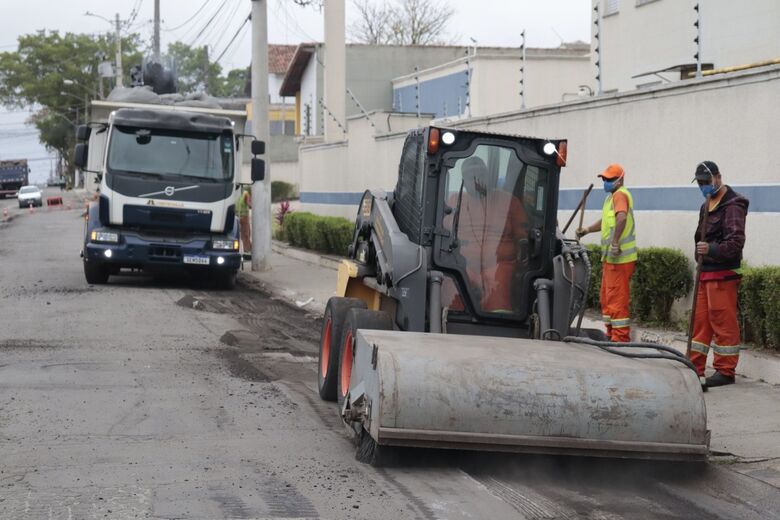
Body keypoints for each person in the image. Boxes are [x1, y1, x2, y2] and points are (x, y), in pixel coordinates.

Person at [689, 161, 749, 388]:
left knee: (723, 322)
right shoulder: (706, 204)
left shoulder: (733, 204)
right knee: (700, 323)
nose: (703, 186)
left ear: (718, 177)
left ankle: (725, 370)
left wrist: (711, 249)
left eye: (706, 181)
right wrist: (700, 255)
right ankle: (695, 367)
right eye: (700, 183)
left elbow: (735, 243)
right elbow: (698, 238)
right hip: (706, 272)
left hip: (723, 275)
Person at [444, 156, 528, 313]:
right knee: (452, 283)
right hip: (462, 265)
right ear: (463, 180)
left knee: (499, 285)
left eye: (480, 174)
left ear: (488, 177)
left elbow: (524, 237)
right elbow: (443, 235)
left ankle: (500, 326)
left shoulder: (509, 201)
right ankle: (453, 320)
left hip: (499, 265)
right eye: (471, 176)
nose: (476, 180)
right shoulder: (454, 201)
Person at [576, 164, 637, 342]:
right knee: (607, 298)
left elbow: (622, 217)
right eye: (604, 179)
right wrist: (587, 229)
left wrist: (616, 242)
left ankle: (620, 339)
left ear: (620, 180)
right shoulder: (611, 198)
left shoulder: (620, 195)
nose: (605, 182)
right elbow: (606, 222)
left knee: (616, 300)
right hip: (611, 260)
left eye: (609, 179)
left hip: (620, 259)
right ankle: (612, 335)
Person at [237, 186, 252, 259]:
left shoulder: (236, 194)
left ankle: (244, 250)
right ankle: (247, 251)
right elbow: (249, 205)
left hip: (237, 216)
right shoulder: (246, 194)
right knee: (246, 234)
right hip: (244, 217)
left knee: (242, 235)